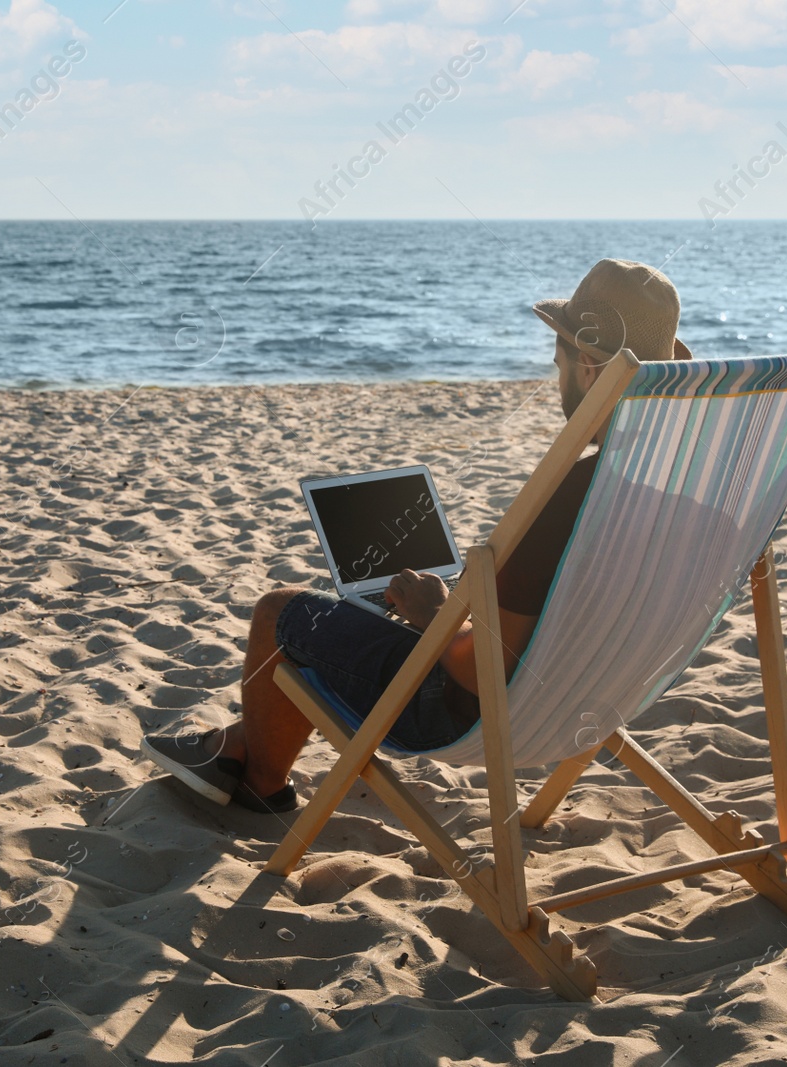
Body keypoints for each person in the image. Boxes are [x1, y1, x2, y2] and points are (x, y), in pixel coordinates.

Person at [144, 259, 688, 813]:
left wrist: (433, 613)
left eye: (560, 364)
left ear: (591, 369)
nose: (557, 380)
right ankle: (233, 744)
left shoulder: (576, 495)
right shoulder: (688, 488)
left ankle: (260, 784)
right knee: (364, 619)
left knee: (281, 614)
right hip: (604, 698)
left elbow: (485, 673)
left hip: (474, 713)